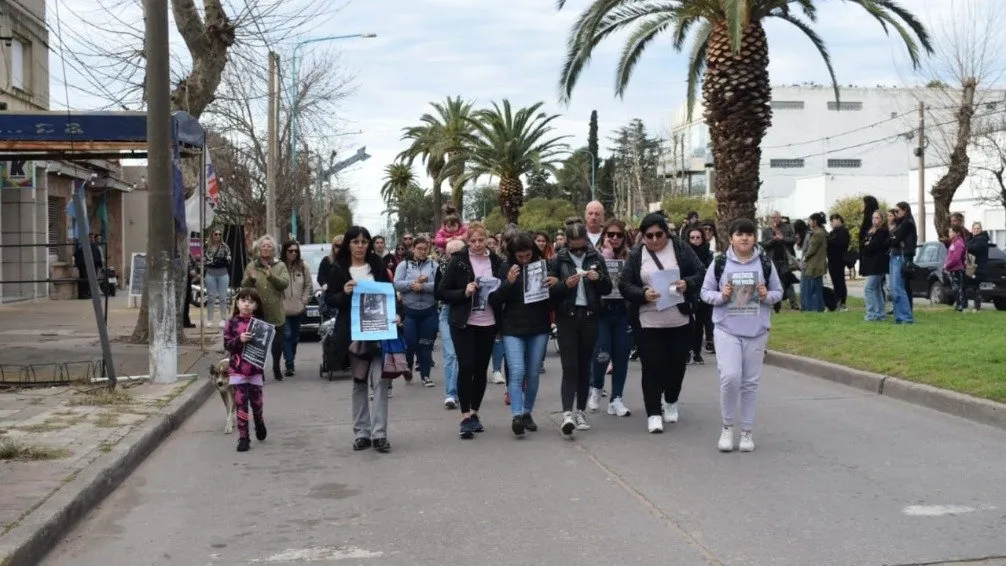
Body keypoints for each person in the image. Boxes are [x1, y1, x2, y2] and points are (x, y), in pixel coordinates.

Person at [700, 218, 783, 453]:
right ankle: (727, 427)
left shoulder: (765, 263)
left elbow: (778, 292)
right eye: (739, 234)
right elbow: (705, 292)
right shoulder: (720, 263)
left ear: (754, 238)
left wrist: (766, 295)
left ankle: (746, 432)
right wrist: (722, 296)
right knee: (730, 377)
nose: (744, 238)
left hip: (756, 331)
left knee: (749, 383)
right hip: (727, 329)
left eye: (748, 234)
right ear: (731, 238)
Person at [619, 213, 706, 434]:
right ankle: (653, 413)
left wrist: (687, 283)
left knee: (676, 366)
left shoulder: (681, 248)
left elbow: (700, 273)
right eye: (649, 235)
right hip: (648, 321)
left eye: (659, 234)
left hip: (679, 319)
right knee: (652, 367)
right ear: (643, 236)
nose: (655, 239)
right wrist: (643, 293)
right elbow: (624, 284)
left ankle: (671, 400)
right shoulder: (637, 254)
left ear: (666, 233)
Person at [324, 226, 398, 453]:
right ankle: (362, 433)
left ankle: (379, 434)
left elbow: (391, 294)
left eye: (364, 242)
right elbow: (330, 301)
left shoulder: (378, 266)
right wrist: (344, 293)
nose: (360, 246)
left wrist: (397, 314)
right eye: (355, 242)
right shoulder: (338, 268)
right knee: (359, 383)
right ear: (348, 244)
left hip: (379, 332)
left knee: (381, 382)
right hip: (353, 334)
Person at [438, 222, 506, 439]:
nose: (477, 244)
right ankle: (465, 415)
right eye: (473, 241)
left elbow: (504, 289)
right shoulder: (458, 262)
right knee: (466, 366)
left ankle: (475, 412)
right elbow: (441, 292)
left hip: (488, 321)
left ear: (487, 240)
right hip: (464, 322)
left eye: (481, 240)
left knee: (480, 369)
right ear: (468, 241)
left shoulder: (496, 261)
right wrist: (463, 292)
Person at [549, 221, 612, 435]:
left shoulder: (596, 257)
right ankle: (567, 412)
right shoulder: (558, 259)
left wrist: (598, 278)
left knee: (585, 366)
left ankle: (581, 411)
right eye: (573, 243)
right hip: (567, 317)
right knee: (570, 366)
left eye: (581, 242)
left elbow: (608, 288)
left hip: (590, 317)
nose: (578, 247)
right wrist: (565, 285)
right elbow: (549, 291)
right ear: (567, 241)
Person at [492, 232, 554, 436]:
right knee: (517, 371)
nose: (525, 260)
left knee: (533, 373)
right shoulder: (505, 267)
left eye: (528, 255)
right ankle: (516, 415)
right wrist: (508, 282)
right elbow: (495, 299)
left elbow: (556, 296)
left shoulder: (544, 265)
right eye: (521, 256)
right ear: (513, 254)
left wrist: (554, 284)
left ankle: (527, 412)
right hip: (513, 328)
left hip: (538, 326)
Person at [588, 218, 633, 417]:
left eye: (619, 235)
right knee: (602, 354)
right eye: (611, 234)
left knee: (621, 357)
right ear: (604, 236)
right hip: (602, 311)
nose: (614, 238)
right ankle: (596, 386)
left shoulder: (630, 257)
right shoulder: (595, 256)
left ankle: (616, 398)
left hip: (622, 311)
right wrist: (605, 254)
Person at [223, 288, 269, 452]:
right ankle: (243, 437)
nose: (246, 305)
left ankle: (259, 421)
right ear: (237, 303)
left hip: (255, 369)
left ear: (256, 305)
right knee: (241, 403)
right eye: (243, 301)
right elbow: (227, 345)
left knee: (256, 403)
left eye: (251, 302)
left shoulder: (260, 324)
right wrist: (239, 339)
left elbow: (264, 345)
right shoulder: (231, 323)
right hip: (237, 369)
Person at [241, 235, 290, 381]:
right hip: (257, 311)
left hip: (276, 310)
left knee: (277, 343)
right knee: (257, 344)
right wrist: (251, 278)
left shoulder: (280, 265)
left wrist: (272, 277)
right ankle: (258, 370)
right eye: (263, 245)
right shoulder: (252, 266)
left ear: (273, 249)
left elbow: (285, 283)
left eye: (269, 246)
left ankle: (276, 366)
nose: (266, 248)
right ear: (259, 248)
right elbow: (244, 285)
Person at [394, 236, 439, 386]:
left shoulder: (434, 265)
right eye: (419, 248)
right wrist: (412, 284)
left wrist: (424, 286)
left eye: (425, 249)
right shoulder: (404, 265)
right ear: (413, 249)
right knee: (411, 342)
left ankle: (425, 376)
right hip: (410, 311)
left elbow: (440, 286)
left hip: (429, 310)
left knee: (426, 344)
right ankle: (408, 368)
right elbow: (397, 284)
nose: (422, 251)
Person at [435, 238, 465, 409]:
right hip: (448, 312)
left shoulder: (471, 267)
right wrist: (460, 293)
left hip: (468, 312)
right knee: (450, 353)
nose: (454, 257)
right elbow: (438, 294)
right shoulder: (442, 268)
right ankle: (451, 393)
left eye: (457, 253)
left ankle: (464, 390)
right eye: (450, 254)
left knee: (465, 355)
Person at [280, 240, 312, 377]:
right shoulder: (279, 266)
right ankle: (289, 364)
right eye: (290, 251)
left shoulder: (303, 266)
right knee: (286, 335)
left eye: (295, 251)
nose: (293, 253)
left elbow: (308, 286)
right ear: (285, 251)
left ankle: (290, 356)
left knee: (294, 337)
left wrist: (304, 302)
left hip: (298, 308)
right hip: (282, 309)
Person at [686, 226, 714, 364]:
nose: (695, 240)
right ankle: (687, 351)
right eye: (692, 237)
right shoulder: (684, 253)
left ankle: (697, 352)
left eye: (698, 237)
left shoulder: (708, 254)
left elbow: (710, 271)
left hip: (703, 291)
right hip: (688, 290)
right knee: (687, 323)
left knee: (700, 324)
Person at [761, 211, 799, 311]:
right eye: (773, 217)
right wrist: (774, 239)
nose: (775, 219)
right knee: (774, 282)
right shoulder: (766, 230)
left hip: (785, 259)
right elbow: (764, 244)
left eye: (777, 217)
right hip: (772, 259)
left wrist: (783, 238)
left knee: (787, 281)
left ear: (780, 218)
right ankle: (776, 305)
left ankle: (794, 304)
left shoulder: (787, 227)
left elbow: (793, 240)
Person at [888, 202, 918, 324]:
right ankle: (899, 316)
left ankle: (905, 317)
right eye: (894, 212)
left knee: (898, 288)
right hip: (897, 255)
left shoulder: (907, 223)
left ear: (905, 210)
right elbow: (891, 238)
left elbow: (894, 239)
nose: (895, 214)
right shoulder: (902, 223)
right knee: (896, 288)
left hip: (901, 256)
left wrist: (893, 237)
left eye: (897, 211)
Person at [860, 210, 890, 321]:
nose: (874, 220)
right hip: (872, 263)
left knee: (868, 288)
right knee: (876, 289)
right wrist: (867, 243)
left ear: (882, 220)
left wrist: (868, 244)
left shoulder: (882, 231)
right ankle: (880, 314)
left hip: (878, 264)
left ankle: (871, 314)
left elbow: (872, 246)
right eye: (873, 218)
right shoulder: (872, 231)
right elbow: (863, 243)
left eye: (877, 218)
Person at [203, 228, 232, 326]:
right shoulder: (207, 246)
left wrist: (218, 261)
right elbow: (205, 260)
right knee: (211, 297)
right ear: (212, 235)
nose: (218, 236)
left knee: (223, 298)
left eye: (220, 234)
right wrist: (217, 261)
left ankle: (223, 319)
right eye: (216, 234)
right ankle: (209, 319)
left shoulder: (225, 247)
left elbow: (228, 259)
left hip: (223, 274)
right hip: (210, 274)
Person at [800, 213, 828, 312]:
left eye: (810, 220)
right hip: (816, 264)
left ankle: (816, 308)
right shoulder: (819, 232)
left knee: (814, 288)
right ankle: (816, 307)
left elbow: (811, 250)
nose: (809, 222)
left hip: (815, 264)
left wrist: (804, 258)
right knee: (815, 287)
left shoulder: (818, 234)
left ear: (815, 222)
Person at [827, 214, 851, 310]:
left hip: (839, 260)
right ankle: (836, 300)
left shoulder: (843, 231)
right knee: (835, 282)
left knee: (840, 281)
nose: (831, 223)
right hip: (831, 259)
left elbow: (842, 243)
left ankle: (842, 302)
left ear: (838, 220)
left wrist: (830, 242)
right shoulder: (832, 232)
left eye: (832, 221)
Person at [945, 225, 969, 312]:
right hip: (952, 269)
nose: (949, 234)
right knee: (955, 288)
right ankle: (958, 304)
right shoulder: (953, 242)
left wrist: (947, 265)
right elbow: (950, 256)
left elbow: (956, 258)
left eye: (951, 232)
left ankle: (961, 305)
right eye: (949, 232)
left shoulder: (959, 243)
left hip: (957, 269)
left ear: (957, 233)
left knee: (958, 288)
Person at [968, 222, 990, 311]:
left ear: (981, 230)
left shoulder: (982, 239)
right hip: (973, 267)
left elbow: (974, 248)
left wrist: (965, 244)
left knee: (974, 286)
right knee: (973, 286)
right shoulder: (973, 238)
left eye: (978, 228)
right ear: (972, 230)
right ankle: (975, 306)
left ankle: (977, 307)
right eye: (974, 228)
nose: (976, 230)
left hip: (978, 268)